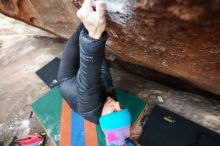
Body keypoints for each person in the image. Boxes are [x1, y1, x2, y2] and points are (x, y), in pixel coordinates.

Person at [58, 0, 135, 145]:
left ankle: (86, 20)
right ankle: (85, 19)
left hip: (68, 80)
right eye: (121, 108)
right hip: (82, 86)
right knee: (84, 29)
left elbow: (89, 80)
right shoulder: (108, 105)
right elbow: (103, 81)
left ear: (104, 118)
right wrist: (106, 63)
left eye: (114, 111)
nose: (118, 104)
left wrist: (94, 36)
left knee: (81, 35)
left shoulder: (90, 107)